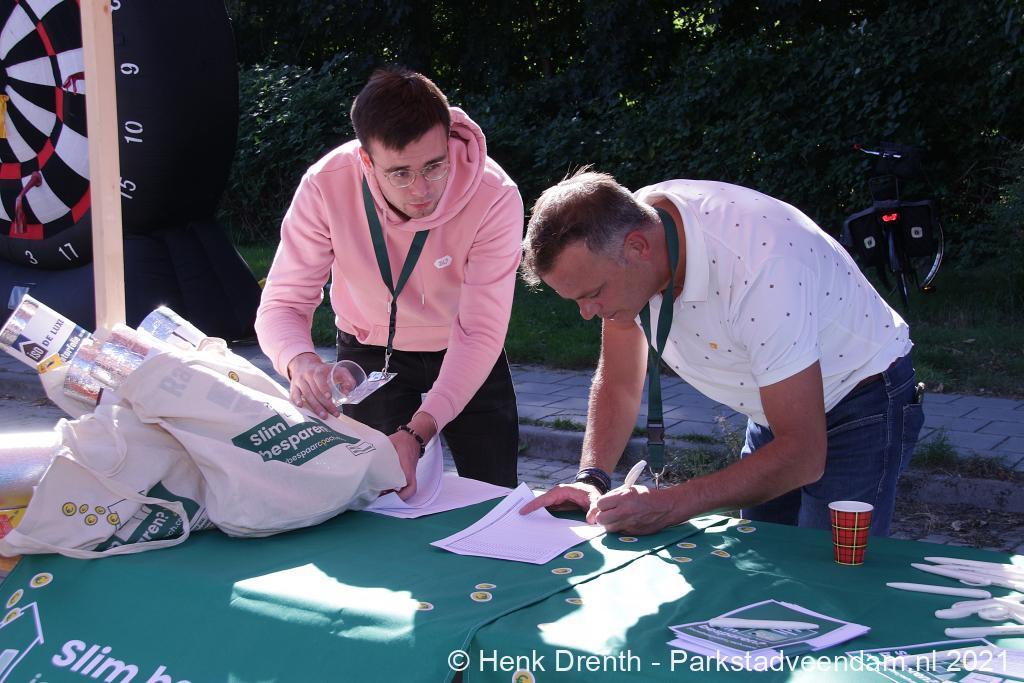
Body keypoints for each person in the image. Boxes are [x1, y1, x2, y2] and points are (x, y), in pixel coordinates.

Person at [519, 170, 924, 536]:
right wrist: (592, 478)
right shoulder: (629, 236)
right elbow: (621, 381)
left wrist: (671, 504)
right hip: (777, 406)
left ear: (638, 248)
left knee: (828, 572)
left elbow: (803, 453)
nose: (587, 313)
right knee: (762, 561)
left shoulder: (760, 266)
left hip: (860, 400)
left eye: (592, 294)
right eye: (576, 299)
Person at [256, 66, 523, 500]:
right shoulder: (325, 185)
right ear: (366, 161)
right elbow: (283, 302)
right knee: (380, 498)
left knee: (494, 496)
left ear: (448, 142)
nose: (421, 189)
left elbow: (481, 331)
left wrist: (418, 432)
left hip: (466, 347)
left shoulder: (495, 195)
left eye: (434, 166)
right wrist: (300, 362)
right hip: (369, 349)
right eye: (400, 173)